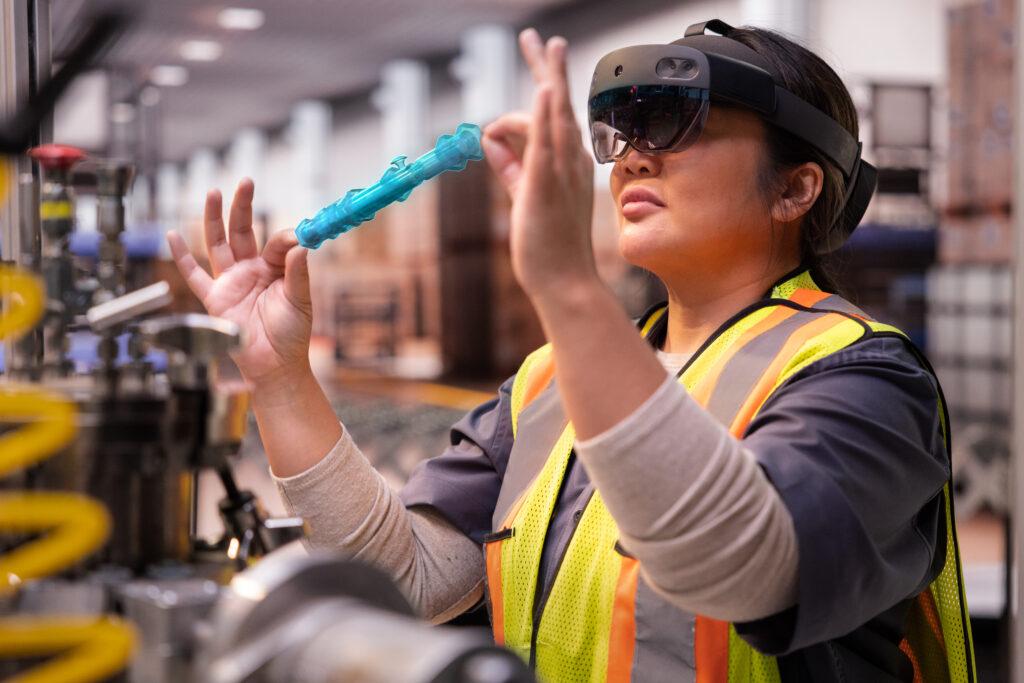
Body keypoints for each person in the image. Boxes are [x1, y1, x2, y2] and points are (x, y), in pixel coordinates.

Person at [168, 19, 975, 683]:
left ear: (795, 188)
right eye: (624, 129)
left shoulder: (863, 378)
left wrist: (564, 281)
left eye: (677, 122)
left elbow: (745, 564)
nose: (634, 156)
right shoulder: (549, 383)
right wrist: (280, 378)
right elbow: (409, 577)